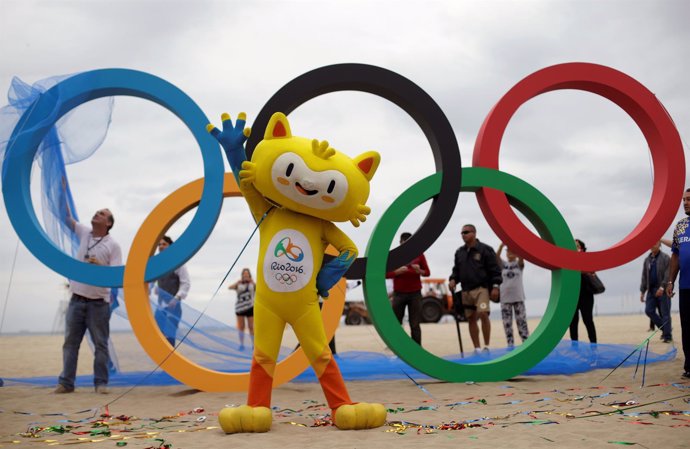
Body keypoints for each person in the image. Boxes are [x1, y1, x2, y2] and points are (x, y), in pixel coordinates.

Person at [55, 207, 122, 394]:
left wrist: (100, 266)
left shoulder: (113, 245)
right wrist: (61, 187)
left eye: (102, 214)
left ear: (108, 223)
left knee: (100, 344)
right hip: (76, 299)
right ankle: (66, 383)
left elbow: (116, 275)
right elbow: (66, 217)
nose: (96, 214)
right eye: (96, 212)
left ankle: (101, 384)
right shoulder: (84, 232)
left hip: (98, 302)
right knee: (70, 343)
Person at [449, 224, 502, 354]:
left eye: (466, 232)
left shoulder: (485, 250)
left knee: (483, 313)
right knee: (471, 318)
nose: (463, 235)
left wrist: (495, 286)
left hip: (481, 289)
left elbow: (495, 270)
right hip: (466, 290)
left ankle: (487, 346)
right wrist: (453, 279)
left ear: (474, 233)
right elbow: (456, 270)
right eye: (462, 233)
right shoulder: (459, 252)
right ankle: (477, 348)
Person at [386, 232, 430, 345]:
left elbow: (427, 273)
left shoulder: (419, 254)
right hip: (399, 294)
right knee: (396, 323)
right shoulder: (394, 255)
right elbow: (385, 274)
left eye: (408, 243)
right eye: (403, 242)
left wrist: (419, 271)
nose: (405, 245)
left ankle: (417, 350)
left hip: (415, 294)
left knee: (414, 324)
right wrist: (396, 272)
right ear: (400, 243)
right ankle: (398, 348)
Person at [667, 188, 690, 380]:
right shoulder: (680, 226)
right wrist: (670, 281)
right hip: (685, 286)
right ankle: (689, 366)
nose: (685, 203)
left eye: (689, 199)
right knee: (687, 327)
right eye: (684, 200)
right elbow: (675, 255)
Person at [153, 235, 191, 347]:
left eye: (164, 244)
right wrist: (156, 288)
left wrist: (176, 298)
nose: (161, 246)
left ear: (170, 246)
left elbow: (186, 283)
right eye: (159, 245)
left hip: (174, 307)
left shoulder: (178, 263)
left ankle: (169, 362)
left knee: (169, 337)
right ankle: (162, 363)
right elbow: (152, 281)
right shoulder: (157, 264)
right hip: (160, 306)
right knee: (158, 336)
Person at [496, 243, 529, 348]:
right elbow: (496, 258)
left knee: (521, 322)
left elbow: (522, 259)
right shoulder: (503, 264)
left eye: (512, 251)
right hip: (505, 298)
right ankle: (510, 344)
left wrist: (517, 247)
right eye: (508, 251)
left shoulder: (519, 264)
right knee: (507, 323)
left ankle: (526, 342)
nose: (510, 253)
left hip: (518, 298)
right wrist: (501, 246)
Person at [640, 240, 672, 343]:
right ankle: (665, 329)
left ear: (659, 244)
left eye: (655, 242)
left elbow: (668, 273)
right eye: (651, 242)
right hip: (651, 290)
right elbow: (644, 276)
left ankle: (667, 336)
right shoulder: (647, 260)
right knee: (649, 310)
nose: (653, 244)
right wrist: (642, 291)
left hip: (663, 290)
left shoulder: (666, 258)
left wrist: (662, 287)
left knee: (665, 313)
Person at [569, 239, 598, 343]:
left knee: (588, 320)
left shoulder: (587, 258)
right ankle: (574, 344)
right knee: (573, 322)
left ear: (582, 247)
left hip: (586, 294)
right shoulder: (568, 260)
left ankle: (593, 344)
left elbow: (592, 270)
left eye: (577, 246)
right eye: (573, 246)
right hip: (572, 295)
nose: (575, 247)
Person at [228, 268, 255, 351]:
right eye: (244, 274)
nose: (245, 275)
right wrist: (237, 282)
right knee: (241, 327)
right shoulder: (239, 284)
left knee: (251, 327)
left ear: (249, 275)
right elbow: (230, 287)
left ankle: (254, 345)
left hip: (250, 307)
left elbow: (259, 288)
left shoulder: (252, 284)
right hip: (240, 308)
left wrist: (252, 282)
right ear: (242, 275)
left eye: (247, 274)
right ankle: (241, 344)